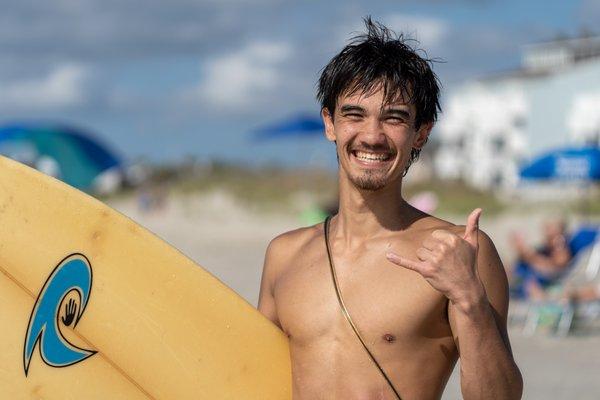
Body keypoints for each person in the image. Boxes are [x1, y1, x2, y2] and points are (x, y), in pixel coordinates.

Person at [258, 18, 522, 399]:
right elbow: (251, 375)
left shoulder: (458, 253)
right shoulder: (284, 254)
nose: (372, 135)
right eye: (354, 114)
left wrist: (470, 299)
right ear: (330, 123)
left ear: (421, 133)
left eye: (394, 117)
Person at [509, 219, 573, 300]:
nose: (547, 234)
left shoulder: (561, 248)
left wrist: (526, 253)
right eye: (547, 231)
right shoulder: (545, 249)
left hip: (545, 287)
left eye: (552, 233)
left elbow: (554, 269)